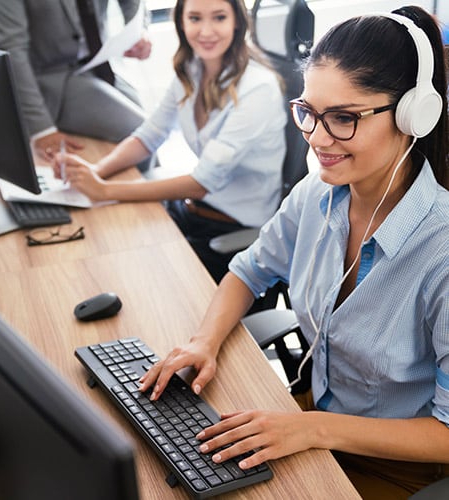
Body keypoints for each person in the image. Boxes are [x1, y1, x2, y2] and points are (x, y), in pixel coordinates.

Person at [139, 5, 449, 498]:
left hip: (396, 466)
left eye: (344, 118)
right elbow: (248, 271)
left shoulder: (442, 253)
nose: (318, 139)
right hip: (311, 420)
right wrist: (204, 341)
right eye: (308, 112)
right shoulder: (318, 192)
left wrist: (313, 428)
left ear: (415, 114)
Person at [56, 0, 287, 284]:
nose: (206, 31)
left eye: (218, 18)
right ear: (181, 22)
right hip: (193, 210)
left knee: (135, 277)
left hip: (230, 230)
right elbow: (150, 134)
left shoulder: (258, 88)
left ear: (237, 21)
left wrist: (105, 190)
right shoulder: (191, 69)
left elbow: (202, 183)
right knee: (106, 244)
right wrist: (95, 171)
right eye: (195, 18)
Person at [0, 0, 151, 165]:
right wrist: (41, 130)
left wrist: (137, 31)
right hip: (50, 78)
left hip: (99, 62)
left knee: (153, 134)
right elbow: (12, 51)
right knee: (140, 135)